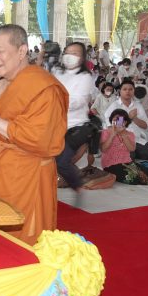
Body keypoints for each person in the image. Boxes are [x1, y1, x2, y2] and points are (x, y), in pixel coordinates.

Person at [0, 24, 68, 245]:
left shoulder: (44, 88)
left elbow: (41, 140)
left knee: (22, 235)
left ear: (21, 51)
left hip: (27, 174)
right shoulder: (0, 85)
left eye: (0, 51)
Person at [51, 42, 97, 189]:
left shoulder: (85, 76)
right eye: (68, 52)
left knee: (62, 161)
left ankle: (77, 185)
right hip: (53, 123)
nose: (70, 56)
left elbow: (78, 101)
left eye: (75, 53)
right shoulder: (57, 71)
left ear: (83, 58)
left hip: (74, 125)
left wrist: (56, 100)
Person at [103, 80, 148, 161]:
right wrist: (128, 117)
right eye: (124, 89)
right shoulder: (115, 106)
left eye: (130, 89)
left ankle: (128, 153)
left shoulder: (137, 105)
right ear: (120, 92)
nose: (127, 91)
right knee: (128, 158)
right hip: (121, 139)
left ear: (133, 91)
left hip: (136, 138)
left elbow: (145, 125)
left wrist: (134, 118)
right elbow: (113, 127)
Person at [100, 109, 148, 185]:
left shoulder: (129, 134)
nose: (118, 122)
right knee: (132, 177)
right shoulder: (105, 132)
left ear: (125, 122)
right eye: (115, 119)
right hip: (110, 164)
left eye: (120, 120)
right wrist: (112, 135)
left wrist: (123, 134)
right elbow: (103, 149)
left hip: (127, 162)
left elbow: (132, 149)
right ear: (111, 120)